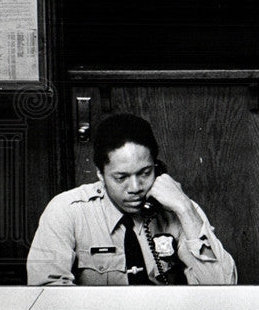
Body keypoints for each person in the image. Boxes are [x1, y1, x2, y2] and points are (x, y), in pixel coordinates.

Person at [27, 113, 237, 285]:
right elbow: (46, 295)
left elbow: (224, 289)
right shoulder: (66, 211)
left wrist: (185, 209)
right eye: (122, 177)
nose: (136, 188)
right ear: (100, 174)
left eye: (145, 173)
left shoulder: (177, 207)